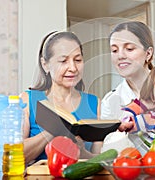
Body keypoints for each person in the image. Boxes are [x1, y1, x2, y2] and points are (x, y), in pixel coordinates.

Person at [20, 31, 102, 164]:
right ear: (45, 64)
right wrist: (53, 130)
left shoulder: (95, 104)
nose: (73, 68)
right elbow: (15, 157)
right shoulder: (27, 100)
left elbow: (100, 161)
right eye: (63, 61)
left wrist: (82, 153)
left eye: (78, 60)